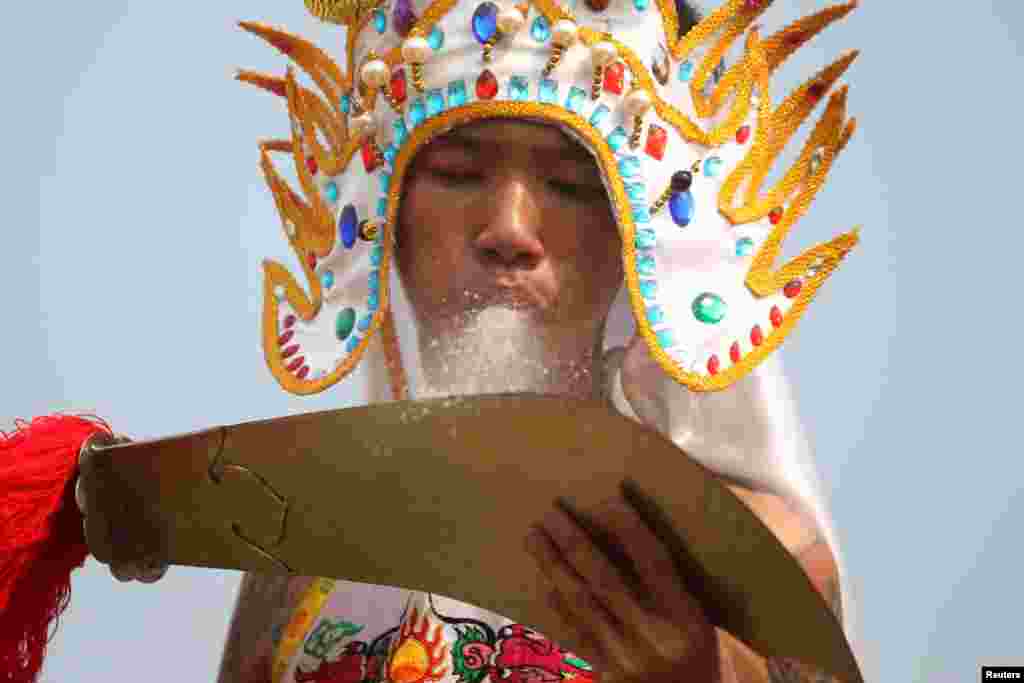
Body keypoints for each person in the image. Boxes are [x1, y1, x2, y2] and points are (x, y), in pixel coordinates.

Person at [75, 0, 863, 681]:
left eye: (569, 184)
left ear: (635, 236)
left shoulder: (760, 555)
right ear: (387, 222)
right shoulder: (299, 558)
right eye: (456, 171)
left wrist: (711, 675)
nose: (511, 231)